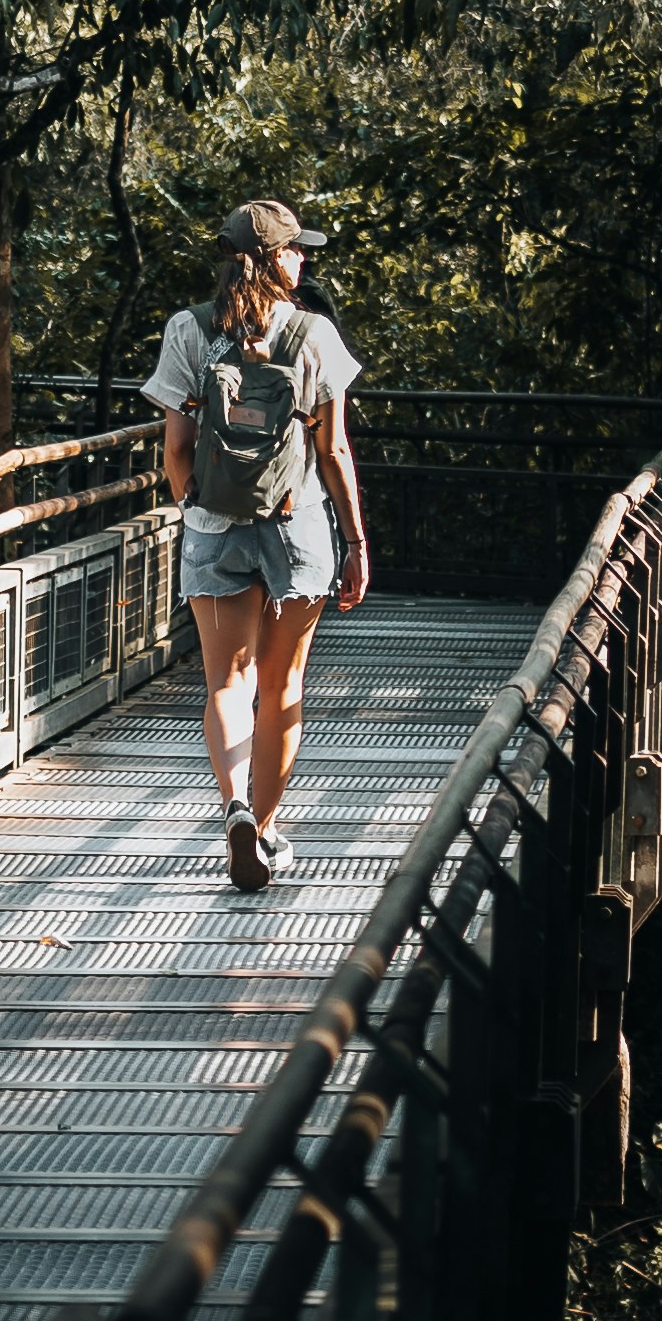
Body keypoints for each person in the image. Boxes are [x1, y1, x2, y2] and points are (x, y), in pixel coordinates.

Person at [142, 197, 371, 892]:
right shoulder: (313, 332)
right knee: (281, 686)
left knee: (226, 681)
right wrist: (356, 541)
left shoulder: (189, 329)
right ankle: (266, 831)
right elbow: (333, 449)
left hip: (214, 526)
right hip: (296, 526)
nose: (304, 259)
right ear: (277, 258)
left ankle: (236, 805)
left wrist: (197, 504)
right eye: (297, 249)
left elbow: (175, 450)